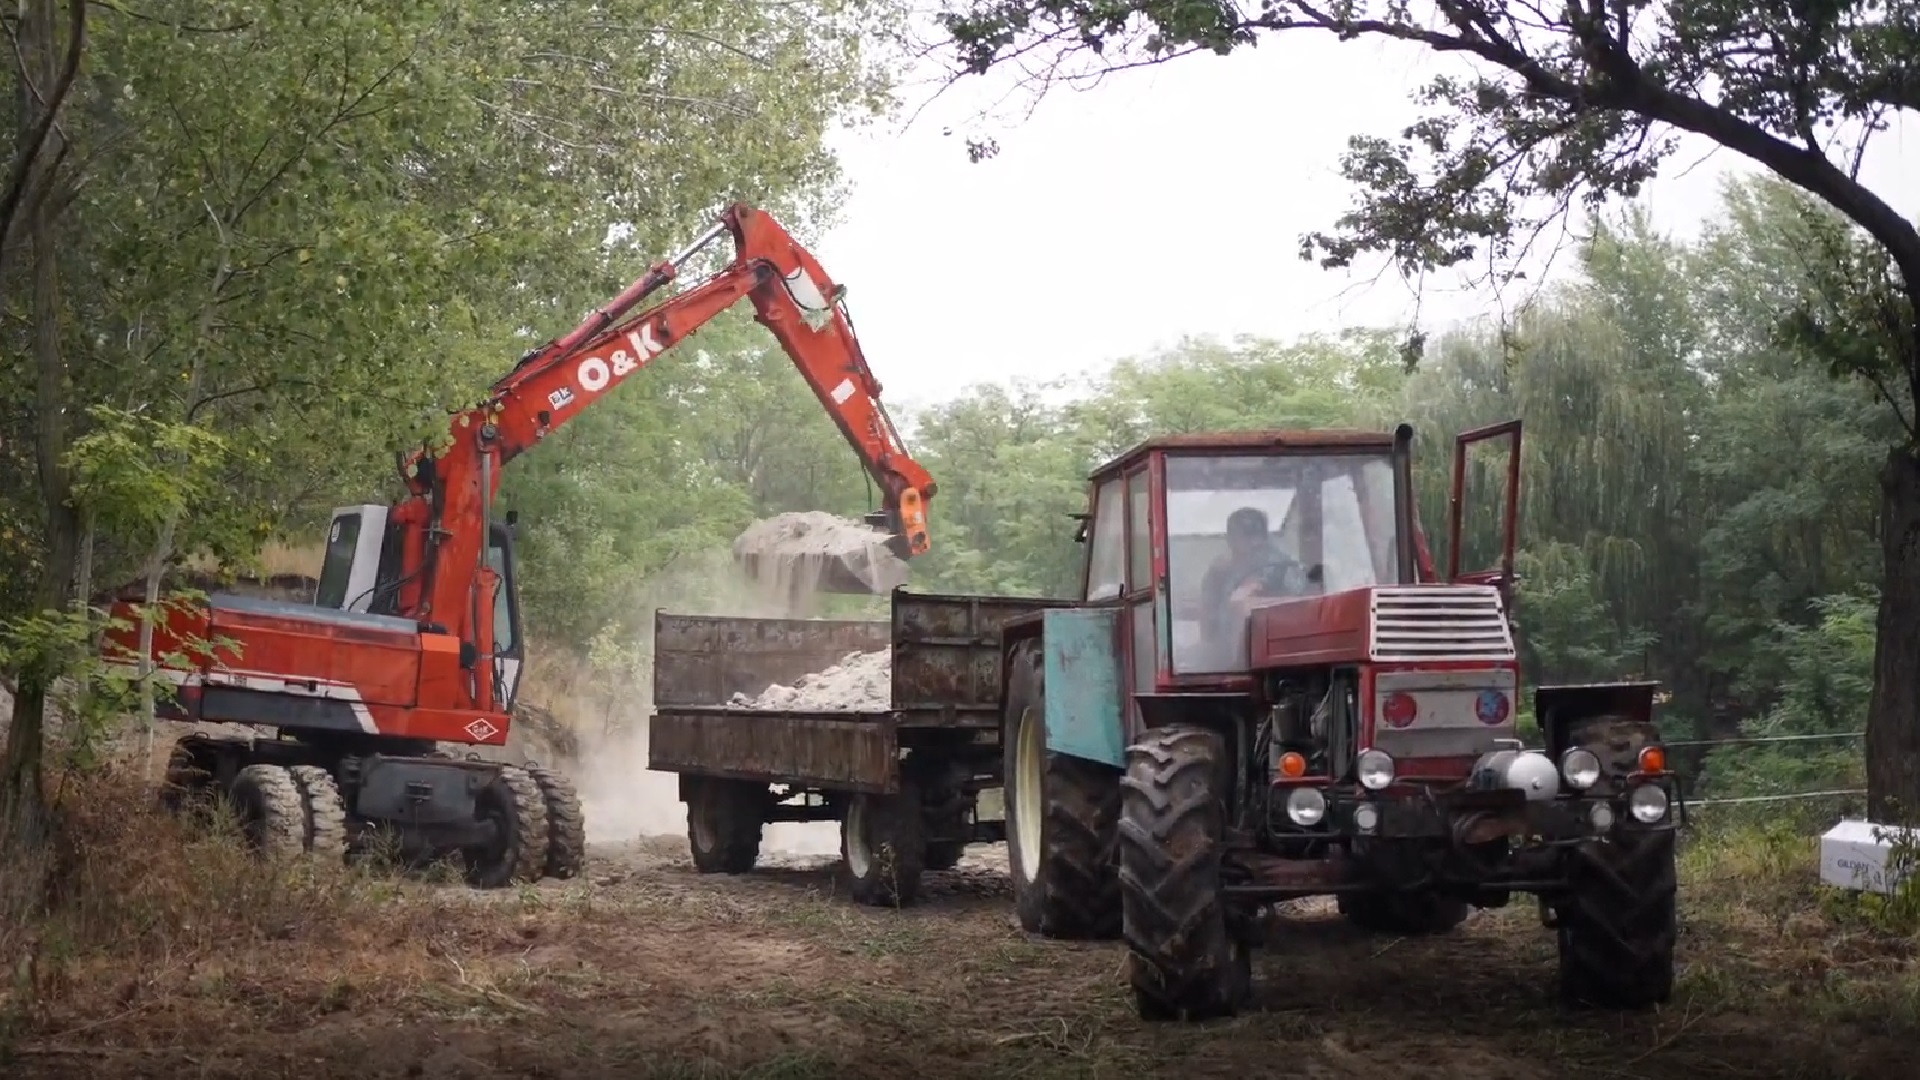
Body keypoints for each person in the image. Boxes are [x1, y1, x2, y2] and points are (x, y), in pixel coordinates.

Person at [1198, 507, 1309, 647]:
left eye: (1254, 536)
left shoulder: (1284, 569)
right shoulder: (1220, 572)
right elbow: (1208, 616)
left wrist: (1254, 597)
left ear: (1264, 538)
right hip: (1226, 650)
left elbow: (1305, 609)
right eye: (1242, 536)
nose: (1252, 543)